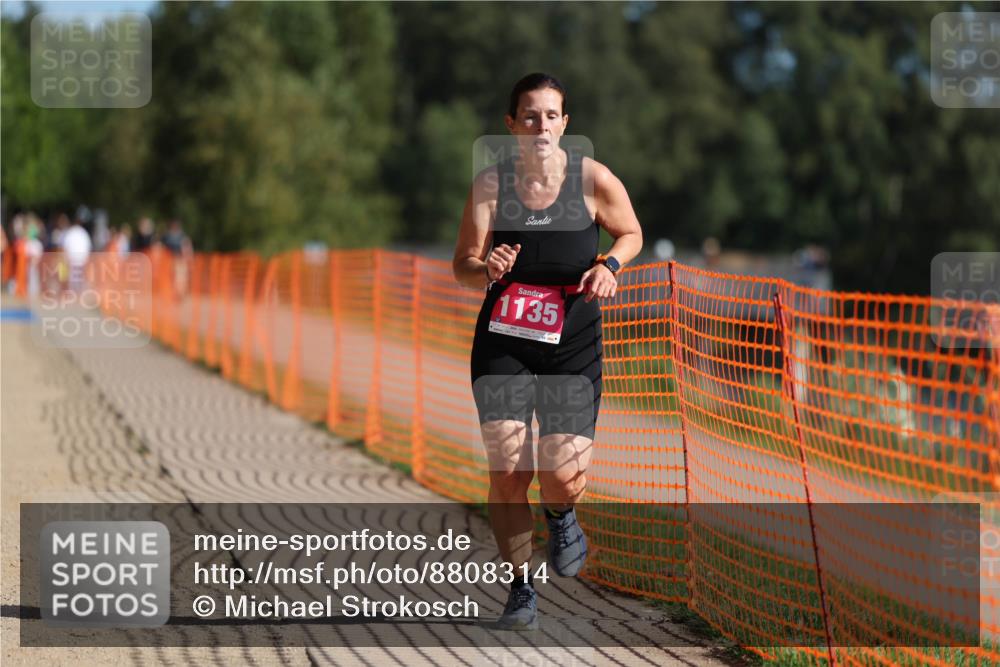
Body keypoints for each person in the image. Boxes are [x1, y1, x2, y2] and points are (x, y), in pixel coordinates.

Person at [452, 73, 643, 630]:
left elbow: (630, 233)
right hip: (504, 343)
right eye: (529, 116)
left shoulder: (594, 180)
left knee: (561, 472)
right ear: (511, 125)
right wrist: (484, 269)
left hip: (572, 342)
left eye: (551, 115)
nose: (540, 126)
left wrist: (609, 266)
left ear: (565, 123)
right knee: (509, 471)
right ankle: (521, 588)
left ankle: (562, 514)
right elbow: (462, 263)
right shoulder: (490, 185)